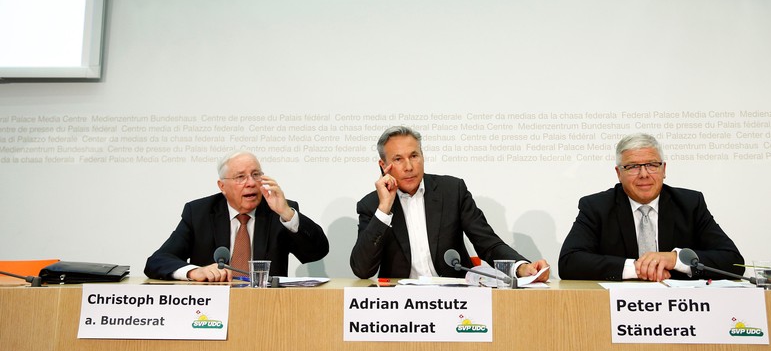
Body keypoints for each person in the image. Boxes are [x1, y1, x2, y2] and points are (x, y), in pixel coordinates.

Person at [350, 126, 549, 282]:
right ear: (383, 166)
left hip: (454, 298)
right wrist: (384, 209)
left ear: (423, 156)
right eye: (398, 159)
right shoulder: (372, 206)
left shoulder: (452, 191)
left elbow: (487, 242)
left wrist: (522, 268)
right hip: (401, 304)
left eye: (414, 156)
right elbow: (362, 269)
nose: (409, 167)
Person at [558, 133, 743, 282]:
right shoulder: (597, 207)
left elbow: (733, 262)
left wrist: (675, 260)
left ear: (664, 170)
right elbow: (569, 262)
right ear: (618, 173)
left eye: (652, 165)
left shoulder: (690, 203)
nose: (644, 174)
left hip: (681, 307)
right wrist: (637, 268)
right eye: (632, 167)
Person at [145, 151, 329, 281]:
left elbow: (317, 252)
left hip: (267, 307)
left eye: (256, 175)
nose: (250, 183)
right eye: (240, 177)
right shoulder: (199, 213)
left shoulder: (277, 212)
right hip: (211, 307)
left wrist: (286, 213)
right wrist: (194, 272)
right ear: (222, 186)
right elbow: (158, 261)